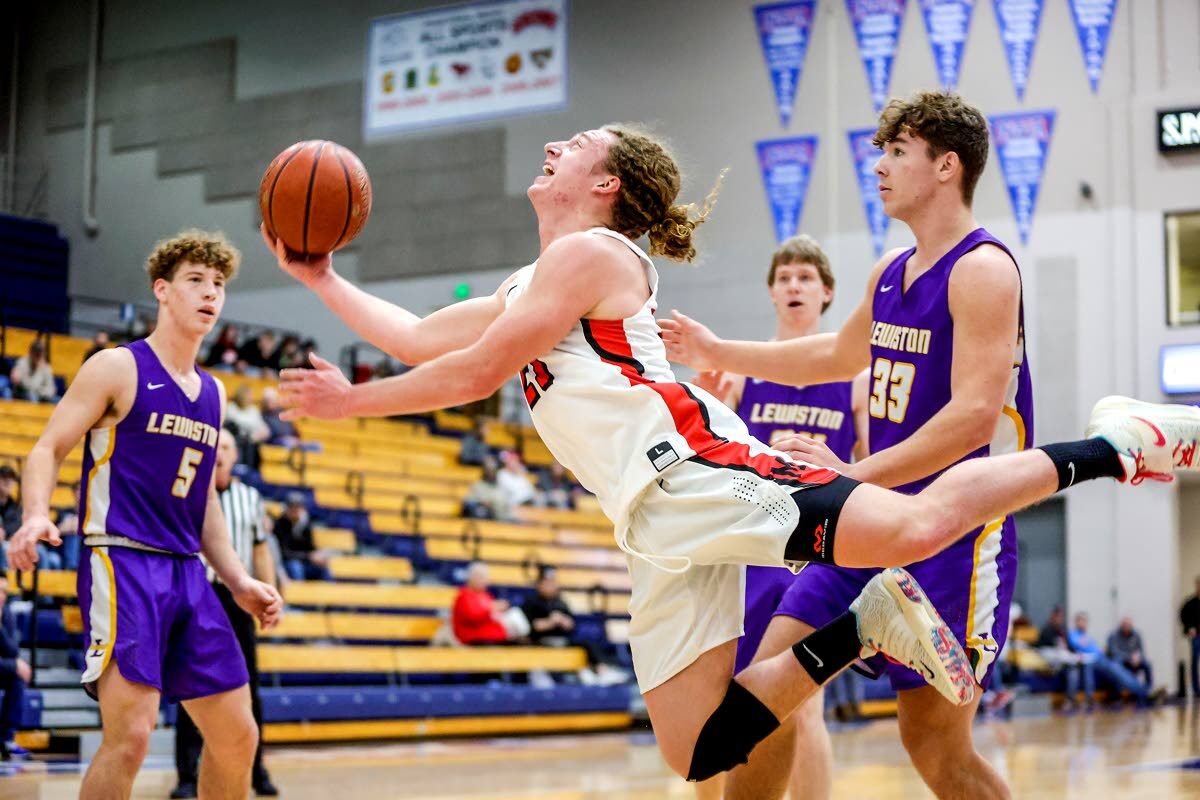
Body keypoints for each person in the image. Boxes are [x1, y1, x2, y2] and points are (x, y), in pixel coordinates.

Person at [265, 122, 1200, 783]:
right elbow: (418, 336)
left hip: (695, 468)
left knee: (914, 527)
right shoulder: (530, 279)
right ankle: (858, 630)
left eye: (576, 143)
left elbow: (477, 372)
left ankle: (1116, 446)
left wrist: (353, 403)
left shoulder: (593, 255)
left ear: (606, 186)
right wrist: (323, 277)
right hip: (648, 523)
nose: (553, 146)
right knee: (699, 750)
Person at [662, 92, 1033, 799]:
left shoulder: (984, 270)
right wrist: (718, 350)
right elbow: (834, 354)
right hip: (870, 527)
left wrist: (853, 475)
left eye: (898, 152)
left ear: (947, 166)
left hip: (954, 532)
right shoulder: (890, 271)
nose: (880, 167)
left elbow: (973, 420)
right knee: (764, 692)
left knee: (936, 748)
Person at [7, 229, 283, 799]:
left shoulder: (214, 393)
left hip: (188, 572)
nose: (210, 293)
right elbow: (47, 448)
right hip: (123, 562)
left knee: (238, 736)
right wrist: (34, 515)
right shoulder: (117, 366)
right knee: (131, 737)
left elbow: (204, 499)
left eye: (219, 284)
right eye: (195, 280)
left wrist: (237, 579)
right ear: (162, 290)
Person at [689, 233, 867, 800]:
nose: (794, 286)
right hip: (751, 549)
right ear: (770, 292)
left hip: (818, 550)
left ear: (827, 293)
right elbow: (702, 455)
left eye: (806, 277)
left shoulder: (855, 379)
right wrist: (703, 400)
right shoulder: (742, 373)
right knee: (722, 700)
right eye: (785, 278)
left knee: (802, 700)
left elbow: (872, 470)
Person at [171, 430, 278, 798]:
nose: (220, 453)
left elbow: (260, 550)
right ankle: (186, 776)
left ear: (235, 456)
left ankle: (257, 770)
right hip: (197, 593)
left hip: (238, 598)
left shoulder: (251, 498)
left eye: (228, 447)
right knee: (191, 686)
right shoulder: (186, 489)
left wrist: (269, 591)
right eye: (216, 446)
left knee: (249, 688)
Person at [1068, 612, 1156, 707]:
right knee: (1118, 670)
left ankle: (1144, 693)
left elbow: (1096, 649)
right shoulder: (1073, 635)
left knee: (1121, 671)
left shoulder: (1087, 636)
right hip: (1092, 661)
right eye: (1081, 621)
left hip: (1100, 659)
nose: (1084, 623)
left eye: (1085, 621)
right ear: (1076, 622)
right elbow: (1079, 647)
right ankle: (1145, 694)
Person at [0, 573, 31, 760]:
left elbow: (13, 650)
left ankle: (7, 739)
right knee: (16, 669)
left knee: (17, 678)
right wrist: (14, 665)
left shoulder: (7, 613)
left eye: (4, 591)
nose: (2, 596)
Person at [1036, 607, 1089, 711]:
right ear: (1052, 617)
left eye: (1061, 618)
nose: (1059, 620)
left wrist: (1076, 654)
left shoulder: (1063, 631)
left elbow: (1069, 647)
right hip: (1050, 660)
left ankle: (1071, 700)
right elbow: (1041, 646)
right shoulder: (1046, 630)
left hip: (1064, 662)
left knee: (1073, 670)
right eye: (1058, 617)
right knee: (1064, 658)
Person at [452, 562, 514, 645]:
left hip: (492, 636)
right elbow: (473, 617)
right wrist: (491, 609)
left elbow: (494, 615)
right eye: (482, 578)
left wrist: (500, 610)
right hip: (474, 638)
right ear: (472, 578)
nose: (486, 582)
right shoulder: (464, 596)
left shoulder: (485, 595)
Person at [273, 491, 329, 581]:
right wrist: (308, 556)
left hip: (304, 561)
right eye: (292, 507)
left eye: (298, 507)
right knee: (295, 567)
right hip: (286, 562)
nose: (295, 510)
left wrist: (317, 555)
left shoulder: (306, 523)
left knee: (323, 568)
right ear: (287, 508)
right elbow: (283, 553)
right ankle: (298, 590)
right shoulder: (279, 524)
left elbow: (310, 546)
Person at [1107, 616, 1152, 690]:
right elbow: (1114, 652)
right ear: (1121, 625)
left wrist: (1138, 657)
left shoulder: (1136, 635)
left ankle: (1148, 689)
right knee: (1116, 662)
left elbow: (1141, 650)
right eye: (1125, 625)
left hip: (1134, 660)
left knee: (1147, 663)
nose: (1127, 627)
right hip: (1122, 660)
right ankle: (1120, 690)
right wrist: (1129, 657)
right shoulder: (1113, 635)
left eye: (1129, 625)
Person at [1181, 577, 1200, 698]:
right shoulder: (1189, 603)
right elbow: (1183, 616)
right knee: (1195, 662)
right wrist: (1189, 628)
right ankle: (1196, 690)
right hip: (1196, 636)